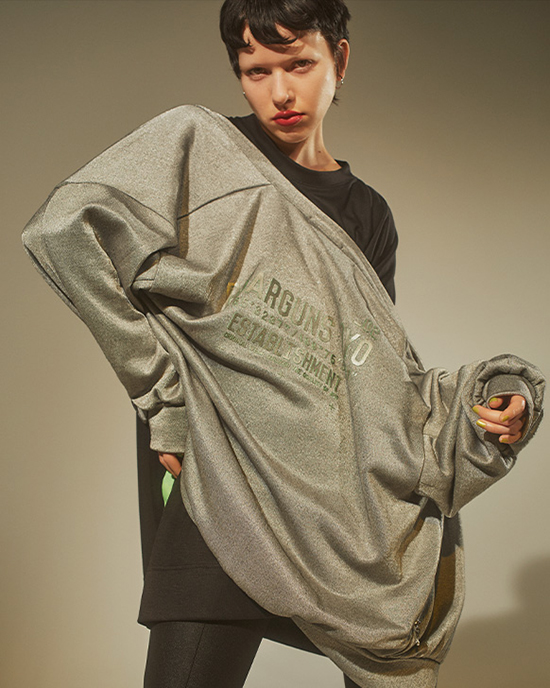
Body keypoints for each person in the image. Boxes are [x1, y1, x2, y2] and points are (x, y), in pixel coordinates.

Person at [21, 1, 544, 687]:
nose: (280, 92)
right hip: (218, 480)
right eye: (256, 70)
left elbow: (370, 380)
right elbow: (60, 232)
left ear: (340, 60)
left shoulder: (366, 214)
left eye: (299, 64)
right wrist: (161, 398)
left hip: (332, 513)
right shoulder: (195, 149)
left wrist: (495, 399)